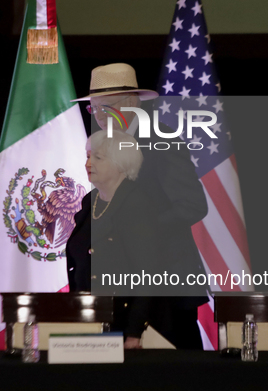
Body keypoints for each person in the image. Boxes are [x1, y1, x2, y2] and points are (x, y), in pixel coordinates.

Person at [71, 63, 209, 348]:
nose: (100, 116)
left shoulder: (161, 139)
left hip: (168, 282)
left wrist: (137, 230)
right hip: (122, 290)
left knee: (181, 370)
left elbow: (192, 205)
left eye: (107, 106)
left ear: (133, 102)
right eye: (94, 109)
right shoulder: (103, 146)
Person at [66, 129, 161, 348]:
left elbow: (148, 274)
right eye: (88, 156)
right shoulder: (91, 201)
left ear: (121, 162)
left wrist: (134, 332)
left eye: (97, 157)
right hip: (87, 321)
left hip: (122, 324)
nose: (88, 163)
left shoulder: (137, 203)